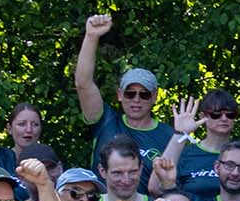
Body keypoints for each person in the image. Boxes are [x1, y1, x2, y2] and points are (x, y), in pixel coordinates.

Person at [71, 14, 177, 161]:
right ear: (120, 95)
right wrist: (91, 37)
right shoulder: (105, 122)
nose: (136, 99)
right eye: (130, 93)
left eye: (144, 94)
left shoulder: (169, 135)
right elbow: (83, 84)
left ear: (154, 97)